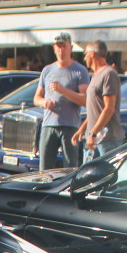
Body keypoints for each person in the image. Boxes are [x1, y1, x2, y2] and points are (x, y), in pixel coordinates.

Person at [33, 31, 90, 171]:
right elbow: (36, 98)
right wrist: (44, 103)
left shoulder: (80, 71)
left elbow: (85, 100)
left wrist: (64, 91)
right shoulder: (47, 70)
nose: (61, 49)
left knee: (70, 168)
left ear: (70, 47)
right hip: (49, 125)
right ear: (54, 48)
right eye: (58, 46)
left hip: (70, 126)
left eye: (64, 46)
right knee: (45, 169)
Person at [72, 40, 123, 161]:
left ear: (93, 54)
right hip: (93, 139)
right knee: (88, 177)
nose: (84, 58)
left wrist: (93, 133)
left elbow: (109, 108)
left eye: (85, 54)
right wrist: (82, 129)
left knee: (106, 178)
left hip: (107, 140)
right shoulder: (96, 75)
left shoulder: (109, 74)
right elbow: (96, 109)